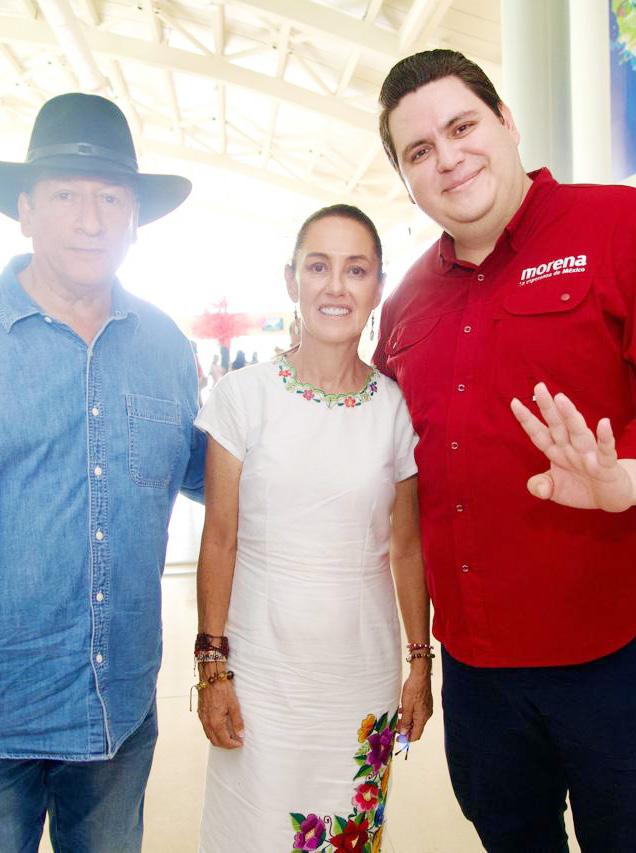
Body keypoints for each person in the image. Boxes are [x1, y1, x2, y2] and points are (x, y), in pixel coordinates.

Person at [375, 49, 636, 852]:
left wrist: (627, 478)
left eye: (463, 127)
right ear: (406, 179)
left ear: (508, 122)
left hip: (616, 654)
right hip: (479, 674)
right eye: (420, 150)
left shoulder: (618, 227)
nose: (448, 158)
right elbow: (392, 480)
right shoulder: (404, 304)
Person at [0, 93, 206, 853]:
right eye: (65, 195)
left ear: (134, 219)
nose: (90, 220)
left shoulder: (164, 344)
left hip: (117, 707)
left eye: (110, 198)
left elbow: (211, 473)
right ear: (26, 210)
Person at [194, 204, 432, 851]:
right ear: (291, 279)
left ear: (377, 287)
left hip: (360, 676)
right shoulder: (241, 397)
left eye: (356, 270)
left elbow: (407, 549)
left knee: (346, 835)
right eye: (318, 266)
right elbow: (220, 539)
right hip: (260, 676)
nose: (336, 286)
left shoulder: (394, 408)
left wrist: (420, 664)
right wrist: (212, 668)